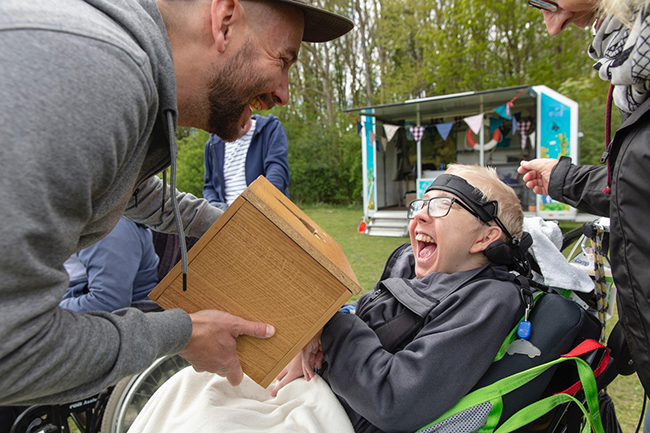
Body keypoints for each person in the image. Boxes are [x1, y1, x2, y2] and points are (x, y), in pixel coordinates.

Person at [0, 0, 353, 405]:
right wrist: (183, 333)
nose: (284, 94)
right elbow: (13, 346)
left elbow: (136, 192)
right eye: (283, 59)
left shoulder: (126, 77)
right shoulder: (101, 74)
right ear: (223, 22)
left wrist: (275, 254)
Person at [128, 164, 529, 433]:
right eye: (420, 204)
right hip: (317, 377)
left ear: (485, 236)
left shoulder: (489, 299)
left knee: (205, 422)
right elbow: (365, 318)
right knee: (190, 385)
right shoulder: (411, 261)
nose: (419, 216)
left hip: (344, 412)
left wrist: (327, 324)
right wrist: (313, 328)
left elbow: (395, 399)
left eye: (441, 206)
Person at [517, 0, 650, 400]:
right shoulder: (637, 87)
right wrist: (563, 178)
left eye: (545, 2)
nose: (553, 29)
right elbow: (637, 194)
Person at [60, 216, 161, 313]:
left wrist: (49, 311)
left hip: (122, 320)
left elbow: (106, 302)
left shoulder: (108, 228)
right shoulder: (82, 222)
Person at [204, 113, 290, 210]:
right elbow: (209, 186)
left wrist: (258, 204)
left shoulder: (270, 128)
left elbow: (277, 171)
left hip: (265, 210)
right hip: (228, 216)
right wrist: (217, 209)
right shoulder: (213, 144)